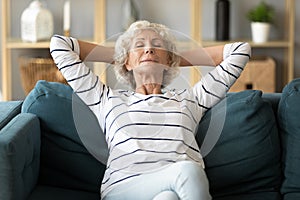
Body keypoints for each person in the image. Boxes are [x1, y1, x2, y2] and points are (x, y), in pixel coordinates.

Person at [50, 20, 251, 200]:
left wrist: (171, 60)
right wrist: (122, 56)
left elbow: (240, 51)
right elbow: (60, 45)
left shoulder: (190, 99)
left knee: (168, 197)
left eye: (156, 46)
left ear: (169, 60)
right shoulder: (107, 99)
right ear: (126, 63)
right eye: (140, 45)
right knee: (188, 171)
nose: (149, 50)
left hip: (176, 188)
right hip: (124, 188)